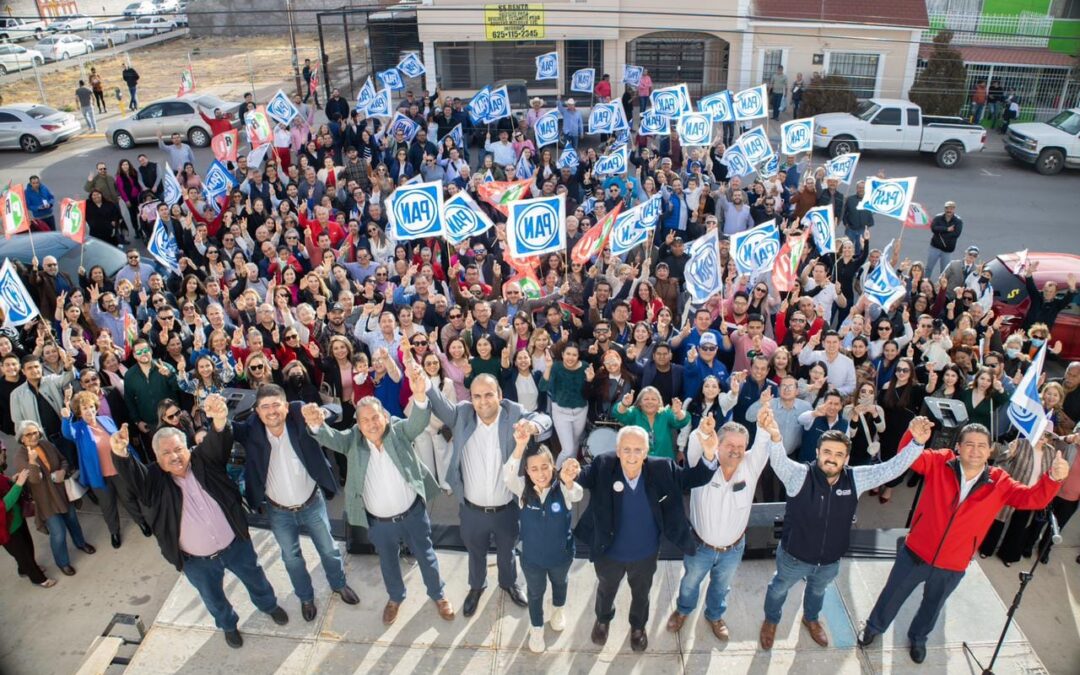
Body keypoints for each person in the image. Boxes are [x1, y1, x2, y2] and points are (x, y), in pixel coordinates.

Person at [859, 424, 1070, 664]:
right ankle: (874, 627)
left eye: (982, 445)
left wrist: (1053, 478)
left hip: (953, 563)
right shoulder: (941, 461)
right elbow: (910, 460)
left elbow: (1032, 498)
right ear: (958, 447)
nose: (975, 450)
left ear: (990, 450)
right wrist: (914, 440)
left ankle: (918, 638)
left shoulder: (999, 481)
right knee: (892, 595)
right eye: (969, 444)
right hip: (916, 551)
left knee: (933, 606)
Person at [110, 394, 290, 648]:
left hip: (235, 545)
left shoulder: (204, 461)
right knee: (213, 598)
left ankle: (269, 606)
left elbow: (218, 441)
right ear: (157, 457)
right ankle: (228, 626)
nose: (174, 457)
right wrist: (121, 455)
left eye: (178, 449)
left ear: (188, 449)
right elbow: (133, 477)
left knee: (256, 579)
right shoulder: (154, 481)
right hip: (197, 561)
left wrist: (219, 420)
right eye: (166, 453)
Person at [758, 407, 933, 651]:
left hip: (830, 559)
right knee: (778, 590)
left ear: (847, 459)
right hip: (793, 557)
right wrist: (776, 438)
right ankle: (771, 620)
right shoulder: (799, 475)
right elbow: (778, 461)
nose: (832, 458)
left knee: (817, 592)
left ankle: (811, 619)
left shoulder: (856, 478)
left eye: (839, 454)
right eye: (827, 452)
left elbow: (891, 469)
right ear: (817, 453)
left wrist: (916, 444)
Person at [303, 362, 456, 624]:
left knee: (426, 555)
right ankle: (396, 597)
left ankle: (438, 594)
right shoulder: (353, 440)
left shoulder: (397, 431)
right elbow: (331, 439)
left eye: (376, 417)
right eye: (365, 420)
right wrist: (316, 425)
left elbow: (417, 422)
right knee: (388, 562)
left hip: (412, 514)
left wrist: (420, 396)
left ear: (384, 416)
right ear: (358, 424)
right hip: (379, 522)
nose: (372, 424)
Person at [572, 423, 719, 652]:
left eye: (638, 450)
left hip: (646, 554)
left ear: (646, 451)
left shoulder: (662, 468)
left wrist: (709, 453)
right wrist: (568, 472)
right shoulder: (603, 465)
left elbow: (694, 478)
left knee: (641, 594)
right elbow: (580, 477)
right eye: (627, 450)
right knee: (605, 590)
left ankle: (638, 628)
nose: (632, 455)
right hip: (608, 553)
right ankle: (603, 619)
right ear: (618, 450)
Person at [425, 373, 553, 618]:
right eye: (477, 396)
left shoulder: (513, 413)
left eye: (488, 394)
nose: (483, 401)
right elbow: (439, 403)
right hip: (472, 509)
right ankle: (476, 586)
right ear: (471, 398)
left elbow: (544, 418)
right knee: (475, 551)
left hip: (507, 508)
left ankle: (509, 583)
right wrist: (423, 381)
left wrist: (533, 426)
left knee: (508, 550)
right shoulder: (462, 414)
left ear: (500, 396)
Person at [233, 384, 358, 622]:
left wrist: (320, 414)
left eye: (276, 405)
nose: (271, 411)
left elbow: (331, 411)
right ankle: (306, 597)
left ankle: (339, 584)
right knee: (291, 558)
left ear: (286, 406)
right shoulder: (252, 430)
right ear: (257, 411)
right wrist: (217, 421)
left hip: (312, 503)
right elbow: (227, 430)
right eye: (265, 407)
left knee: (329, 549)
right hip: (278, 511)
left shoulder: (300, 415)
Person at [666, 412, 774, 641]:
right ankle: (683, 610)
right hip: (699, 546)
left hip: (733, 549)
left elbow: (764, 441)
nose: (736, 450)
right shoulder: (702, 463)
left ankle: (715, 616)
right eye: (729, 444)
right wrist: (704, 430)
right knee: (689, 584)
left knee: (721, 587)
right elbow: (697, 442)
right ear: (718, 445)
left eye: (741, 446)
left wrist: (764, 424)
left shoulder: (750, 467)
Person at [504, 422, 583, 653]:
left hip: (561, 556)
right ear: (527, 472)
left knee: (560, 585)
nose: (540, 473)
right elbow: (508, 476)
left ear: (553, 466)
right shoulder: (522, 490)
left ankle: (558, 610)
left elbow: (576, 494)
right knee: (535, 593)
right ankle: (537, 629)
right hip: (532, 559)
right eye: (534, 469)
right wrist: (519, 446)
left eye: (545, 467)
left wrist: (569, 480)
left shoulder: (563, 489)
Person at [62, 390, 150, 549]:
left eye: (91, 406)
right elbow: (68, 433)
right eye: (84, 408)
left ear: (96, 407)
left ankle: (141, 522)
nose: (89, 411)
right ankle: (114, 532)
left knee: (128, 498)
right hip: (98, 475)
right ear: (79, 413)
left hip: (118, 470)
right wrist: (66, 416)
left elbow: (119, 440)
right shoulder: (78, 428)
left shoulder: (106, 420)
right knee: (107, 505)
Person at [12, 419, 94, 576]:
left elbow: (63, 460)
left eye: (35, 433)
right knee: (58, 533)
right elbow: (34, 480)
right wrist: (32, 461)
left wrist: (63, 471)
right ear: (22, 438)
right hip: (45, 501)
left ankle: (81, 543)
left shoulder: (47, 445)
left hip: (61, 493)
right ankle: (62, 562)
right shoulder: (20, 457)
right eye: (28, 435)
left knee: (73, 521)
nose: (33, 437)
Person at [1, 468, 57, 588]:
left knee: (26, 549)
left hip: (17, 520)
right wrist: (18, 484)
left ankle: (23, 569)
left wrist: (12, 481)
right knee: (23, 553)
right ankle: (39, 579)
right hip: (7, 529)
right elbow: (3, 506)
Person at [926, 200, 963, 278]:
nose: (949, 210)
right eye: (947, 208)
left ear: (954, 209)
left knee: (944, 271)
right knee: (929, 268)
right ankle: (924, 283)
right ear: (944, 209)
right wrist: (946, 229)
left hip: (947, 250)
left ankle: (940, 287)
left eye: (951, 208)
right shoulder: (938, 217)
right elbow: (933, 228)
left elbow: (956, 234)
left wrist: (940, 233)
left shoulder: (958, 221)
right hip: (935, 247)